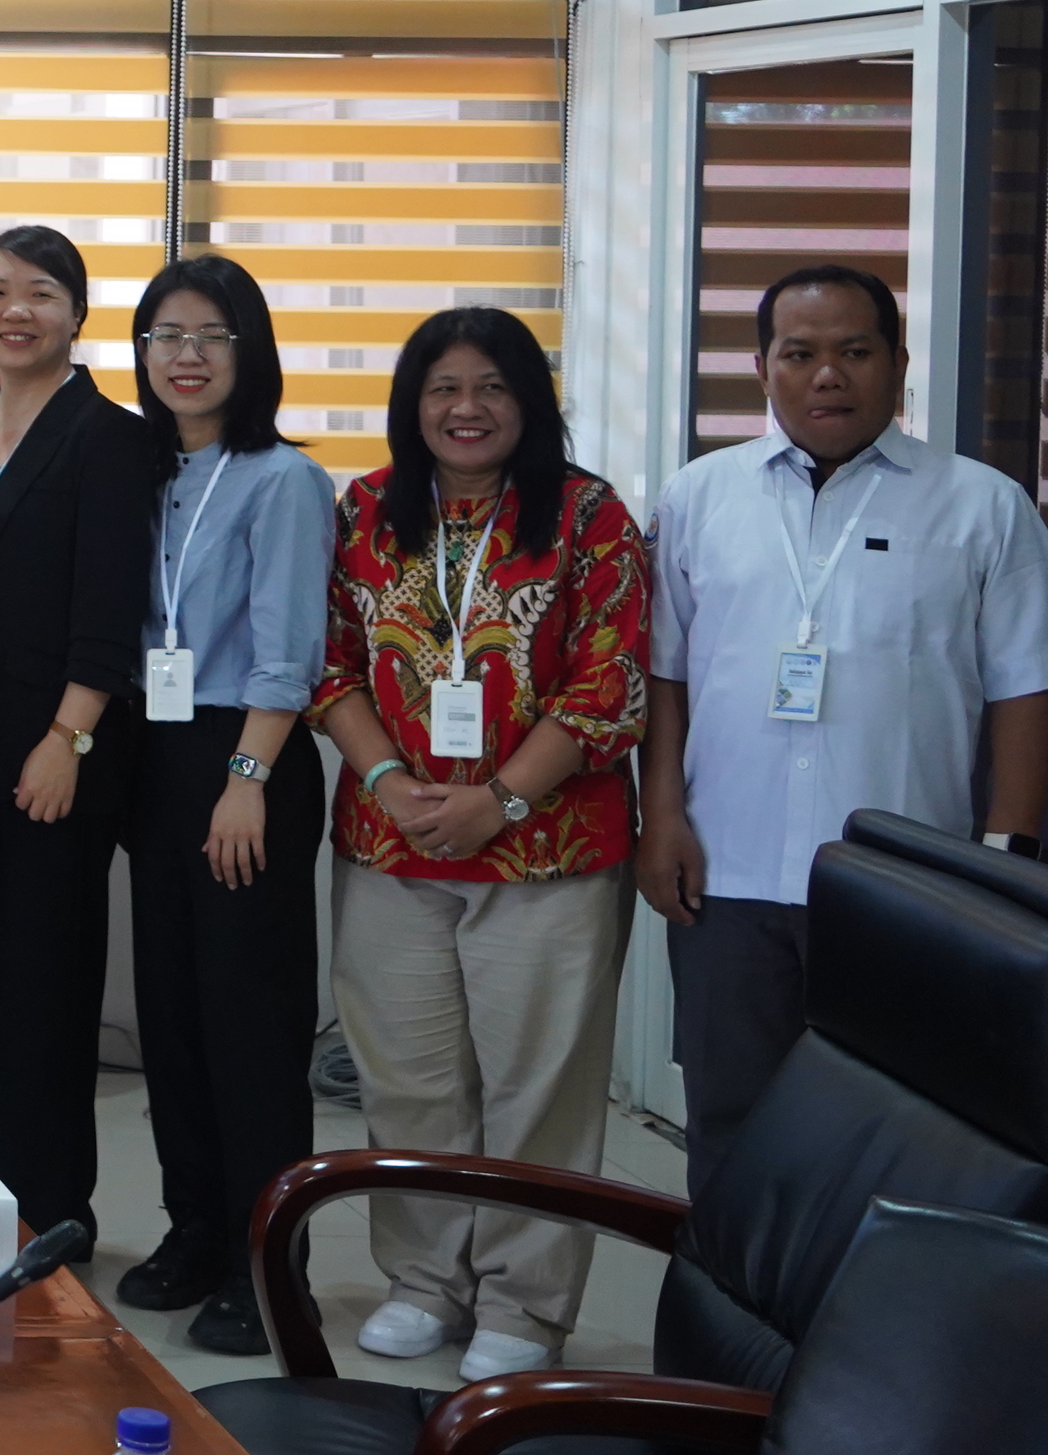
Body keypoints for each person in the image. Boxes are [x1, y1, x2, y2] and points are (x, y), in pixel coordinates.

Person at [640, 265, 1048, 1183]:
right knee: (730, 1120)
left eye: (855, 351)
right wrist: (659, 816)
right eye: (801, 353)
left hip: (907, 884)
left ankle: (863, 1322)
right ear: (762, 367)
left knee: (894, 1134)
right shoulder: (699, 496)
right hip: (728, 870)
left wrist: (1001, 866)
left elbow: (1026, 691)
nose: (829, 374)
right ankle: (734, 1315)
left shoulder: (983, 507)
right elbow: (665, 677)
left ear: (897, 364)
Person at [312, 305, 649, 1384]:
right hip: (390, 843)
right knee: (408, 1084)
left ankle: (526, 1303)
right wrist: (386, 776)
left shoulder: (589, 515)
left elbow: (612, 683)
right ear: (413, 405)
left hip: (545, 850)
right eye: (443, 387)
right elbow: (328, 667)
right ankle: (423, 1279)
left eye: (492, 386)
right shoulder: (366, 509)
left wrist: (497, 800)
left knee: (536, 1088)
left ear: (528, 401)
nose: (467, 408)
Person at [110, 256, 338, 1357]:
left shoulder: (281, 477)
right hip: (154, 755)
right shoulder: (141, 469)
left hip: (246, 752)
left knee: (249, 1020)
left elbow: (289, 651)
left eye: (211, 333)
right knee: (174, 1014)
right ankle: (195, 1224)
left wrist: (245, 781)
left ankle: (267, 1258)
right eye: (163, 333)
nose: (185, 354)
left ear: (249, 352)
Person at [0, 224, 152, 1254]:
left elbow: (110, 608)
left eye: (41, 292)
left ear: (78, 313)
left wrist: (70, 733)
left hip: (52, 756)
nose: (15, 310)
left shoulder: (105, 435)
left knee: (42, 995)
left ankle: (54, 1213)